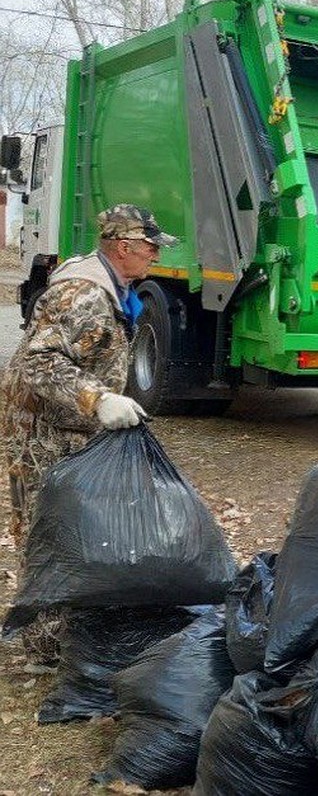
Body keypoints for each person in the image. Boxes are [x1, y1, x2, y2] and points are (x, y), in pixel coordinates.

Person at [0, 204, 176, 659]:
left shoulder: (118, 289)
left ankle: (66, 634)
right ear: (123, 247)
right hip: (40, 429)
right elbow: (35, 363)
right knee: (47, 531)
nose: (155, 255)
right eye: (149, 246)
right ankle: (45, 647)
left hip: (73, 430)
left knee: (74, 529)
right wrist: (97, 399)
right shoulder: (83, 295)